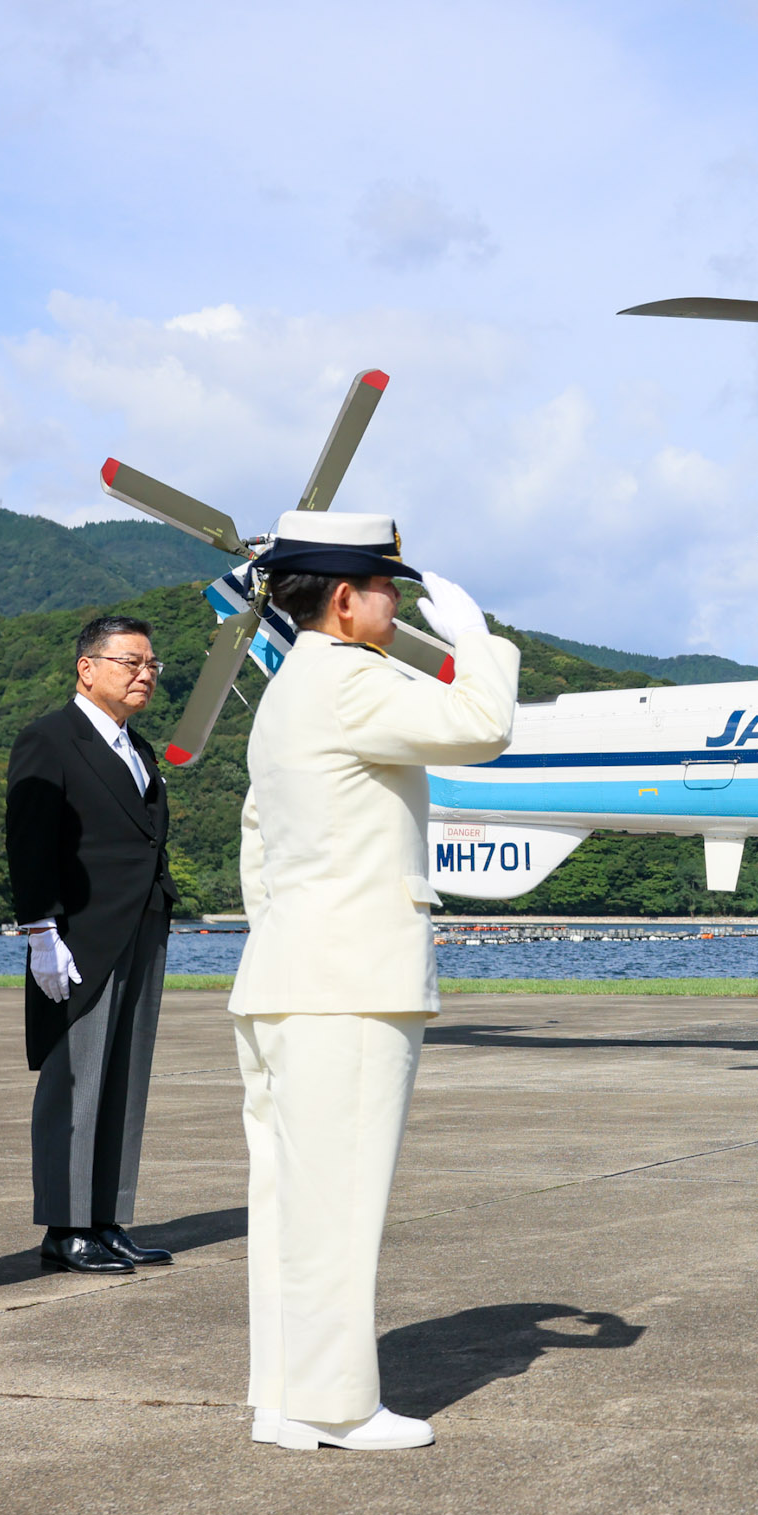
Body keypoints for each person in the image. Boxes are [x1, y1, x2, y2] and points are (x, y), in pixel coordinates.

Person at [230, 512, 519, 1451]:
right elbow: (482, 725)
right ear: (345, 600)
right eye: (388, 589)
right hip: (349, 977)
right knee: (341, 1201)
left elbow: (257, 845)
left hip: (287, 969)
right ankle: (339, 1404)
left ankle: (284, 1396)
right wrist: (478, 642)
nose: (399, 605)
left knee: (290, 1200)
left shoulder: (288, 689)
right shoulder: (349, 679)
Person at [7, 615, 180, 1274]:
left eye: (150, 665)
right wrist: (40, 929)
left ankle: (107, 1217)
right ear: (88, 667)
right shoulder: (51, 739)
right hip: (79, 934)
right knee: (74, 1085)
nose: (144, 675)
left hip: (140, 926)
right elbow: (29, 840)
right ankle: (65, 1227)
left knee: (124, 1081)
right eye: (130, 663)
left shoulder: (138, 747)